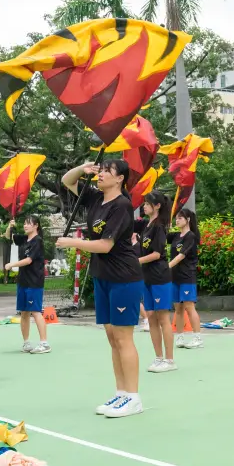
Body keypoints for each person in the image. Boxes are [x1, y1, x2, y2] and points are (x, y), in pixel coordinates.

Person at [57, 158, 143, 417]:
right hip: (102, 275)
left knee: (123, 338)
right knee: (111, 337)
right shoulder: (94, 198)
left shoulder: (122, 206)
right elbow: (66, 181)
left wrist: (73, 242)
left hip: (123, 276)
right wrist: (81, 170)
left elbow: (105, 245)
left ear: (120, 179)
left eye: (108, 171)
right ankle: (121, 393)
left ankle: (134, 397)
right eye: (101, 170)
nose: (102, 174)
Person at [139, 191, 176, 372]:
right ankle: (158, 358)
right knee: (151, 317)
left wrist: (135, 261)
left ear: (157, 206)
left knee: (163, 318)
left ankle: (169, 361)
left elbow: (156, 254)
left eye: (147, 203)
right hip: (147, 277)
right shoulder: (147, 225)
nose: (144, 206)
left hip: (160, 276)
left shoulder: (160, 227)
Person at [5, 215, 49, 354]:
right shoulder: (24, 239)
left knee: (35, 312)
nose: (25, 225)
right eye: (24, 223)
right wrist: (10, 226)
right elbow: (8, 237)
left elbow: (29, 260)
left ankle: (44, 343)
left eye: (28, 223)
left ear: (36, 226)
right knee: (24, 313)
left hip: (34, 282)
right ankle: (26, 343)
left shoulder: (38, 241)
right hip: (23, 281)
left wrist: (12, 264)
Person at [170, 207, 202, 350]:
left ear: (188, 220)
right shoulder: (176, 237)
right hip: (175, 277)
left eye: (180, 218)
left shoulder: (191, 236)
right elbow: (158, 235)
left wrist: (167, 266)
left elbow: (181, 255)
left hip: (187, 276)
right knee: (178, 309)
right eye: (176, 218)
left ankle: (197, 337)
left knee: (189, 307)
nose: (177, 220)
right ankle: (180, 336)